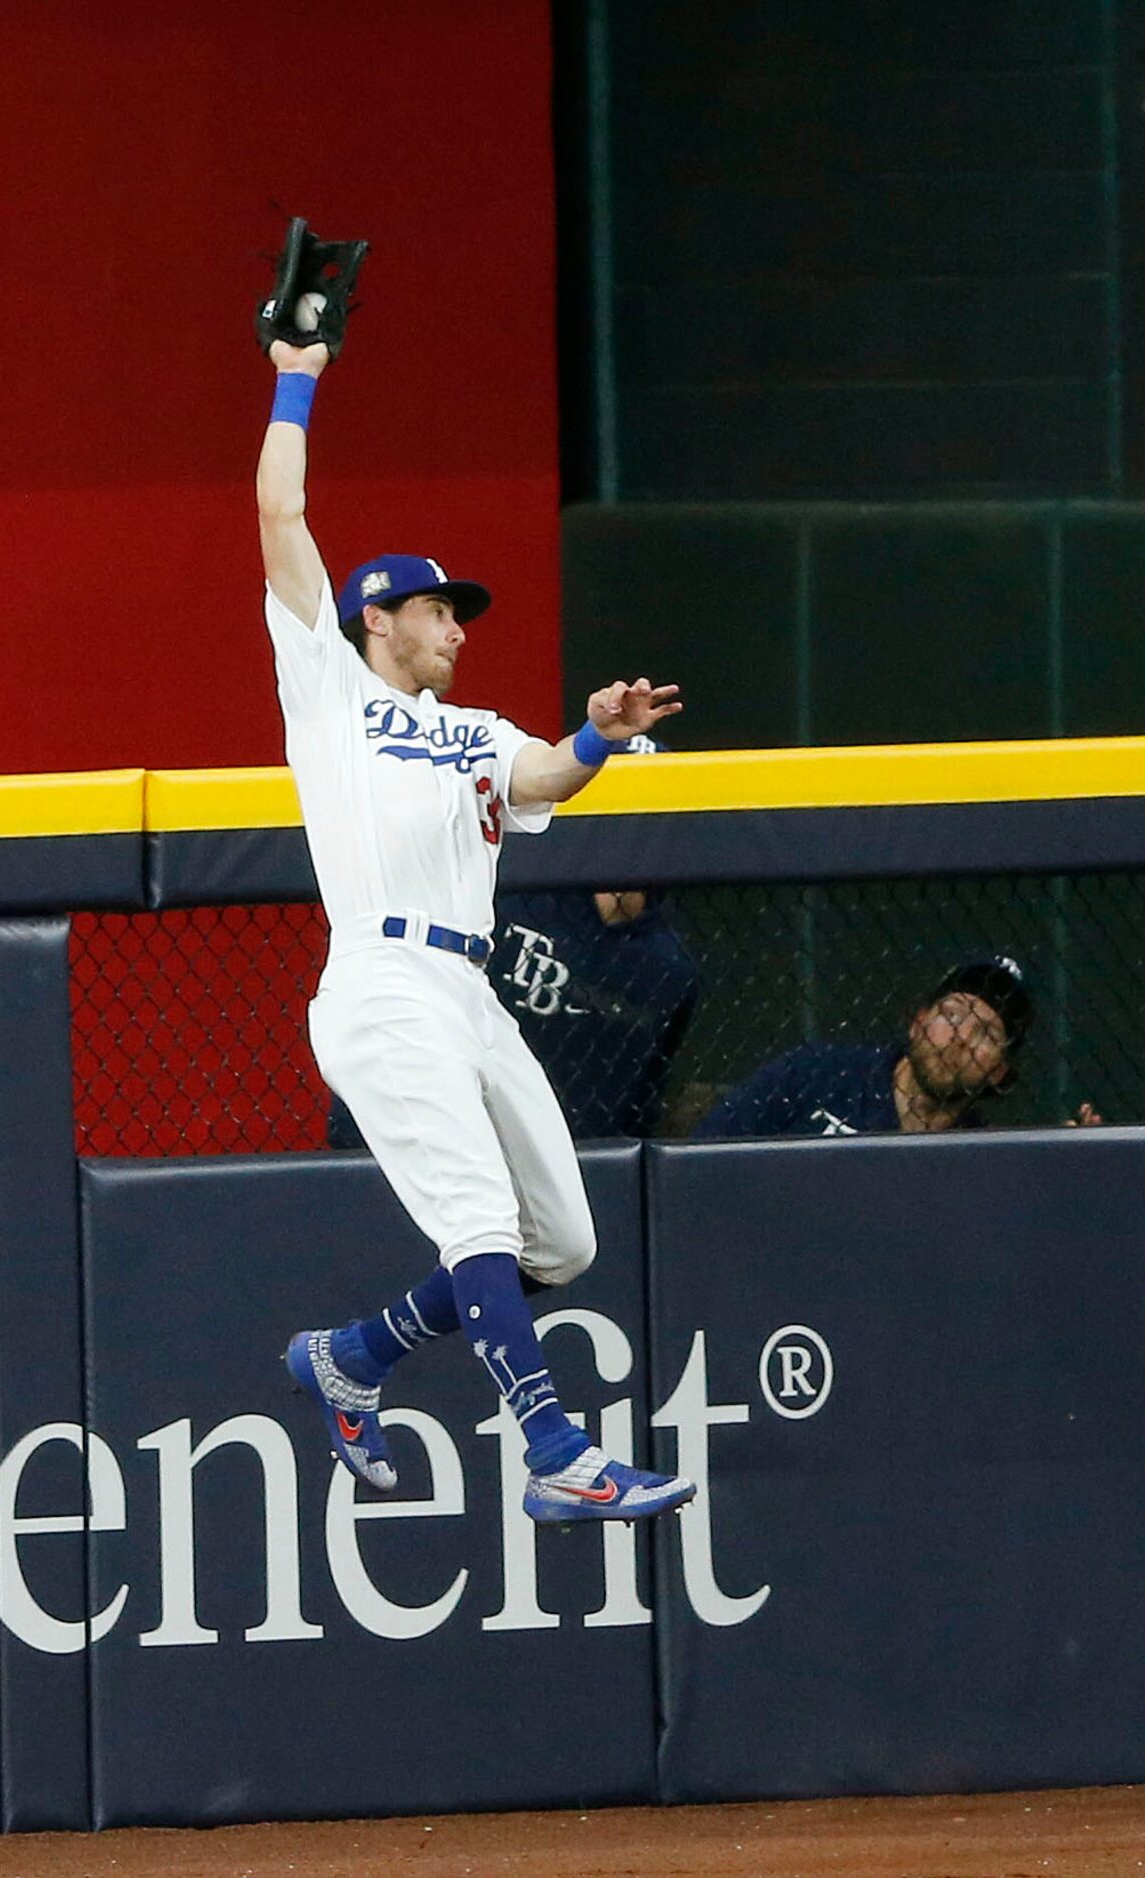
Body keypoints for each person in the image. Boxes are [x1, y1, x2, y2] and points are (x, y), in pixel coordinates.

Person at [258, 331, 695, 1525]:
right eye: (436, 609)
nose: (455, 625)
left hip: (471, 992)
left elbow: (548, 779)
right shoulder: (331, 693)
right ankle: (552, 1450)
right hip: (382, 981)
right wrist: (298, 373)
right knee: (478, 1224)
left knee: (561, 1243)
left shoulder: (475, 726)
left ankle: (352, 1354)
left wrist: (598, 735)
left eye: (458, 610)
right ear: (375, 618)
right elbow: (277, 511)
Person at [327, 884, 699, 1147]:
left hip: (568, 1162)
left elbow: (643, 1100)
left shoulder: (670, 968)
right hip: (436, 1132)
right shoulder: (512, 893)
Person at [693, 954, 1100, 1139]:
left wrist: (1061, 1160)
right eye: (953, 1015)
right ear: (918, 1021)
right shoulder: (816, 1071)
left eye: (986, 1034)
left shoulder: (978, 1151)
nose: (960, 1039)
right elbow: (707, 1149)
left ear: (999, 1072)